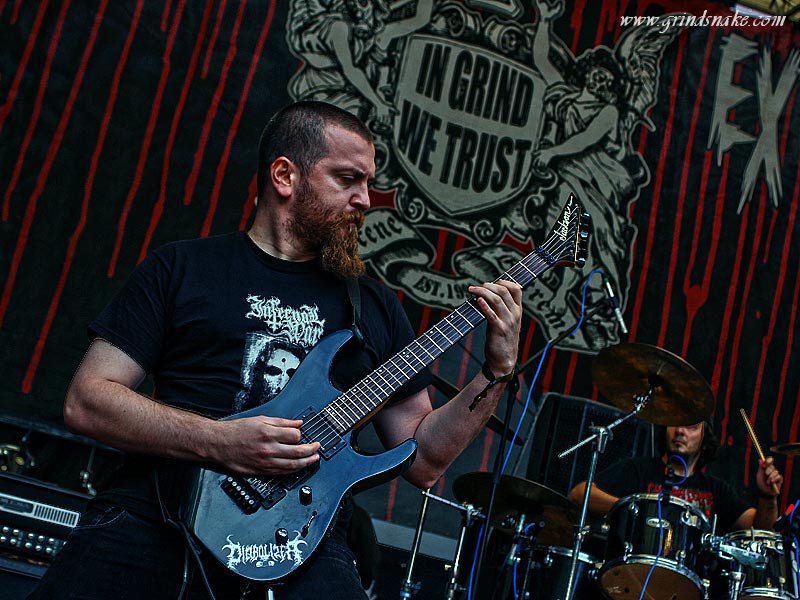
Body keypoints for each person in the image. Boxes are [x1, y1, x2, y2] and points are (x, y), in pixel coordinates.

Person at [28, 101, 523, 599]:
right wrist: (220, 442)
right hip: (156, 512)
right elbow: (88, 401)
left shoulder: (373, 306)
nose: (365, 199)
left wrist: (497, 371)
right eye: (347, 179)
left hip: (301, 538)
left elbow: (425, 462)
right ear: (285, 176)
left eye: (367, 183)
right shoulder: (182, 268)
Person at [568, 420, 784, 533]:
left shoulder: (716, 489)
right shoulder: (637, 469)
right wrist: (635, 508)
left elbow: (761, 529)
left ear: (704, 439)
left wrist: (768, 497)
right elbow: (578, 495)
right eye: (675, 422)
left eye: (691, 426)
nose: (680, 430)